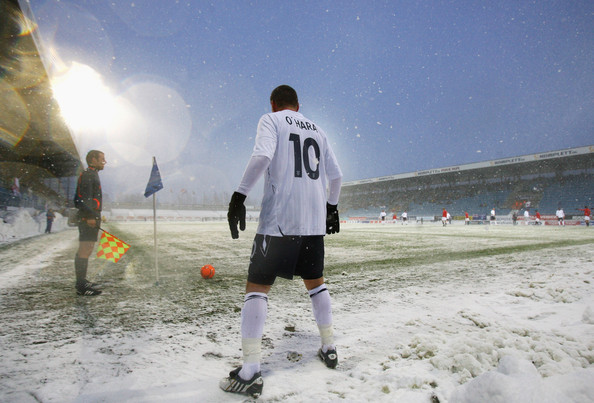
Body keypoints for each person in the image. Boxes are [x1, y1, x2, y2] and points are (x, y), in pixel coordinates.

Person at [220, 85, 343, 398]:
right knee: (316, 284)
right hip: (313, 224)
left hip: (279, 221)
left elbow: (262, 156)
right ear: (298, 106)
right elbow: (337, 176)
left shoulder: (271, 121)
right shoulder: (319, 130)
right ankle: (329, 347)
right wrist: (331, 207)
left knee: (257, 287)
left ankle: (250, 371)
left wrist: (239, 195)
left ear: (273, 104)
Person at [73, 150, 106, 296]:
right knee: (85, 249)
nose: (104, 162)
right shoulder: (88, 174)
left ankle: (82, 281)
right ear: (93, 159)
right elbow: (83, 198)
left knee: (86, 248)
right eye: (102, 159)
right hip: (88, 218)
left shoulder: (92, 174)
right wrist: (90, 216)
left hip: (91, 216)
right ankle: (81, 285)